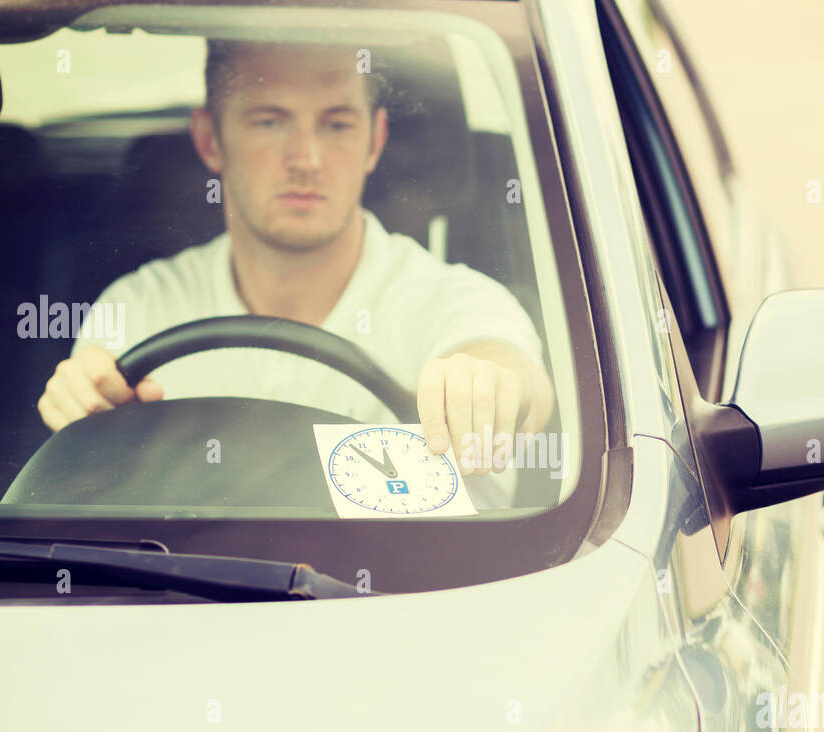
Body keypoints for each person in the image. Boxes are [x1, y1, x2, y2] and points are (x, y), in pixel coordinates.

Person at [36, 39, 554, 501]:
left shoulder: (454, 300)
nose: (306, 158)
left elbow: (508, 368)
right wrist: (83, 404)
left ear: (374, 141)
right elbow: (93, 489)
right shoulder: (141, 305)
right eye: (270, 120)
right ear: (209, 139)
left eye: (336, 124)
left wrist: (488, 387)